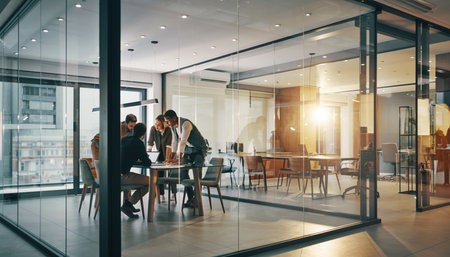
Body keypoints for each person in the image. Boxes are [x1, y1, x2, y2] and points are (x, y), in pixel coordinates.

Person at [164, 110, 208, 207]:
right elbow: (175, 141)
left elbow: (183, 140)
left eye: (168, 121)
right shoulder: (173, 127)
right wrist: (172, 154)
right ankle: (191, 197)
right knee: (182, 172)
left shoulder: (186, 123)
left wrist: (179, 156)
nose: (167, 124)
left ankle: (197, 200)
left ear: (174, 118)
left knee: (197, 175)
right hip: (189, 150)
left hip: (199, 150)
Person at [120, 123, 151, 218]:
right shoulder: (139, 143)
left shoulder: (123, 139)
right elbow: (147, 163)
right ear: (144, 134)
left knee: (130, 173)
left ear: (133, 131)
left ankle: (128, 205)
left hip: (113, 174)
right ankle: (128, 205)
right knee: (151, 181)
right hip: (122, 177)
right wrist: (142, 158)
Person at [148, 115, 173, 199]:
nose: (156, 126)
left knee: (171, 172)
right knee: (158, 173)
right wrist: (148, 157)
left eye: (158, 124)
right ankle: (159, 193)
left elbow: (168, 146)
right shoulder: (153, 129)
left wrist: (167, 159)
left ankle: (173, 192)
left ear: (163, 124)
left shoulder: (168, 130)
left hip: (168, 153)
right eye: (155, 123)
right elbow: (150, 143)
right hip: (159, 153)